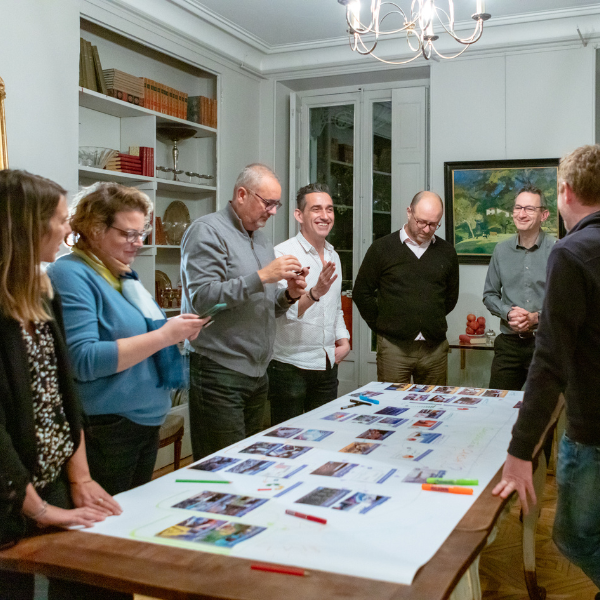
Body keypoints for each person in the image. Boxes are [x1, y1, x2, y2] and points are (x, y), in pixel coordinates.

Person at [0, 170, 123, 600]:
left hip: (51, 476)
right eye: (58, 218)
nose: (67, 227)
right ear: (25, 225)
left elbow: (63, 393)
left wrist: (81, 477)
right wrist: (36, 507)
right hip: (11, 493)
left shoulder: (42, 288)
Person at [48, 182, 206, 496]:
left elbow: (141, 335)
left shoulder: (120, 273)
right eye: (127, 234)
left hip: (141, 423)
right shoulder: (70, 274)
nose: (138, 243)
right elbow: (84, 360)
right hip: (109, 428)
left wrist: (174, 330)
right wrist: (164, 335)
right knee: (106, 531)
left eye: (141, 232)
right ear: (94, 229)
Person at [493, 144, 600, 593]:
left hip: (592, 427)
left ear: (563, 192)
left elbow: (550, 360)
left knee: (574, 537)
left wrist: (520, 452)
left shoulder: (571, 252)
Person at [181, 163, 307, 459]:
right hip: (218, 371)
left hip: (257, 373)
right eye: (268, 203)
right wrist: (262, 276)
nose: (273, 211)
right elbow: (204, 301)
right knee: (222, 468)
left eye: (277, 204)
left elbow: (259, 306)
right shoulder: (207, 231)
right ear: (241, 194)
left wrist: (288, 295)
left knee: (249, 464)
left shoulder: (261, 239)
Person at [353, 191, 459, 385]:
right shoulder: (382, 249)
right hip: (394, 349)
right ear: (409, 212)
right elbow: (361, 293)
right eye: (422, 222)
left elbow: (450, 297)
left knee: (433, 409)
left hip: (434, 350)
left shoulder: (447, 252)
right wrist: (382, 325)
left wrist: (428, 318)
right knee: (392, 409)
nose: (427, 229)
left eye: (433, 224)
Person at [268, 183, 350, 425]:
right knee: (287, 441)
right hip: (290, 366)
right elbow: (283, 312)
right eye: (316, 209)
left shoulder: (334, 255)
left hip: (326, 363)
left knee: (323, 437)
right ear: (299, 215)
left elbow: (335, 307)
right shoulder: (283, 254)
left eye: (330, 209)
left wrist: (343, 340)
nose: (325, 216)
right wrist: (314, 293)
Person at [483, 185, 556, 390]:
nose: (522, 214)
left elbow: (566, 302)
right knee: (497, 407)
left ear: (544, 214)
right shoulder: (501, 250)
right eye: (518, 208)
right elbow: (489, 295)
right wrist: (508, 314)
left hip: (545, 344)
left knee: (543, 414)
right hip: (509, 345)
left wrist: (536, 318)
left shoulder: (558, 250)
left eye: (529, 209)